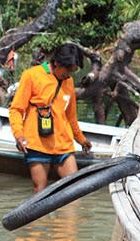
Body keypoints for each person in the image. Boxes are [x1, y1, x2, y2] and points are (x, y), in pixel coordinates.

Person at [9, 43, 93, 192]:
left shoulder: (69, 82)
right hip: (37, 144)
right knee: (40, 191)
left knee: (75, 190)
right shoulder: (32, 76)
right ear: (56, 63)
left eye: (73, 71)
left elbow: (71, 116)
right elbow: (16, 109)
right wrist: (19, 135)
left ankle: (70, 216)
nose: (69, 74)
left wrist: (81, 140)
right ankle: (40, 217)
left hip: (63, 144)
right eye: (68, 69)